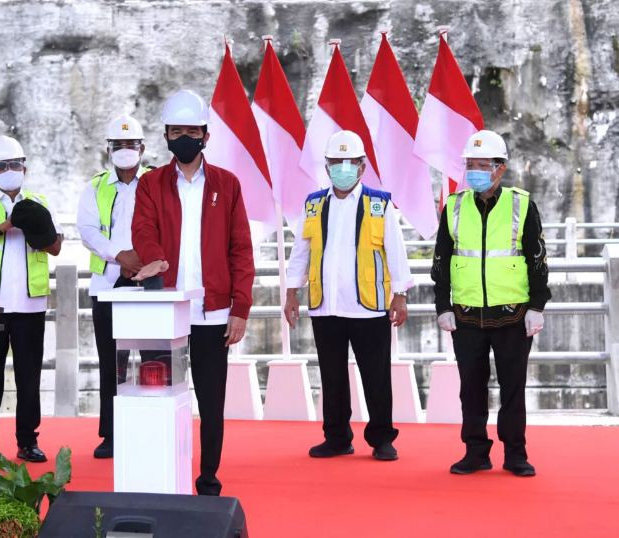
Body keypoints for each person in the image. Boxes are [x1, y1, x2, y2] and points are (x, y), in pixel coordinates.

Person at [130, 89, 254, 496]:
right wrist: (155, 260)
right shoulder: (150, 184)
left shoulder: (228, 185)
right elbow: (143, 230)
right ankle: (164, 466)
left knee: (210, 400)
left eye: (192, 131)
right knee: (159, 394)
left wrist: (241, 308)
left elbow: (241, 249)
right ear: (166, 135)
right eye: (176, 131)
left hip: (213, 312)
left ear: (205, 135)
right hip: (163, 307)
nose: (184, 137)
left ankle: (209, 476)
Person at [284, 130, 412, 461]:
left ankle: (382, 438)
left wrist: (400, 294)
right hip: (326, 305)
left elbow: (395, 251)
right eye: (335, 163)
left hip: (368, 306)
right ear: (326, 167)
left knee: (377, 375)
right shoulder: (313, 204)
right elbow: (301, 251)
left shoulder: (379, 203)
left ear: (362, 165)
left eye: (350, 162)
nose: (343, 168)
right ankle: (337, 436)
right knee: (332, 375)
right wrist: (291, 293)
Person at [431, 129, 550, 477]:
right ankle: (475, 451)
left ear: (500, 168)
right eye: (471, 165)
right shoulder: (453, 206)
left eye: (483, 165)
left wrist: (537, 306)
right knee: (471, 388)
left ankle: (515, 454)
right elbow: (441, 260)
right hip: (466, 315)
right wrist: (443, 306)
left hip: (512, 314)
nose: (475, 171)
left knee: (513, 388)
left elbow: (538, 258)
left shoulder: (522, 204)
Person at [0, 135, 63, 465]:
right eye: (0, 166)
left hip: (30, 305)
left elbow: (55, 246)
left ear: (24, 168)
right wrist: (5, 226)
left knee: (29, 376)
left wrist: (37, 227)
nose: (8, 171)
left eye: (14, 165)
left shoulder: (40, 201)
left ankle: (27, 441)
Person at [77, 114, 152, 459]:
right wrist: (120, 255)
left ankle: (153, 427)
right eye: (118, 145)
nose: (125, 151)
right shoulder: (95, 187)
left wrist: (144, 258)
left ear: (143, 148)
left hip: (150, 280)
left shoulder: (158, 182)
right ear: (108, 149)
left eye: (131, 145)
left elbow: (169, 223)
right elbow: (88, 231)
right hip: (108, 282)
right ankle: (111, 434)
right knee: (113, 362)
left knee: (154, 357)